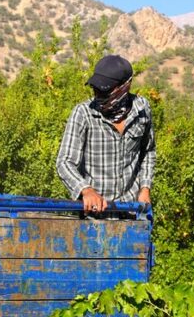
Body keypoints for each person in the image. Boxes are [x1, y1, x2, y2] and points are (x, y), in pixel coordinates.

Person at [56, 54, 155, 213]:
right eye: (95, 89)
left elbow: (148, 151)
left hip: (131, 212)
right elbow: (65, 162)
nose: (98, 95)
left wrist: (145, 188)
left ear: (125, 86)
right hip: (94, 215)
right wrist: (86, 190)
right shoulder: (84, 114)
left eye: (104, 90)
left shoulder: (142, 110)